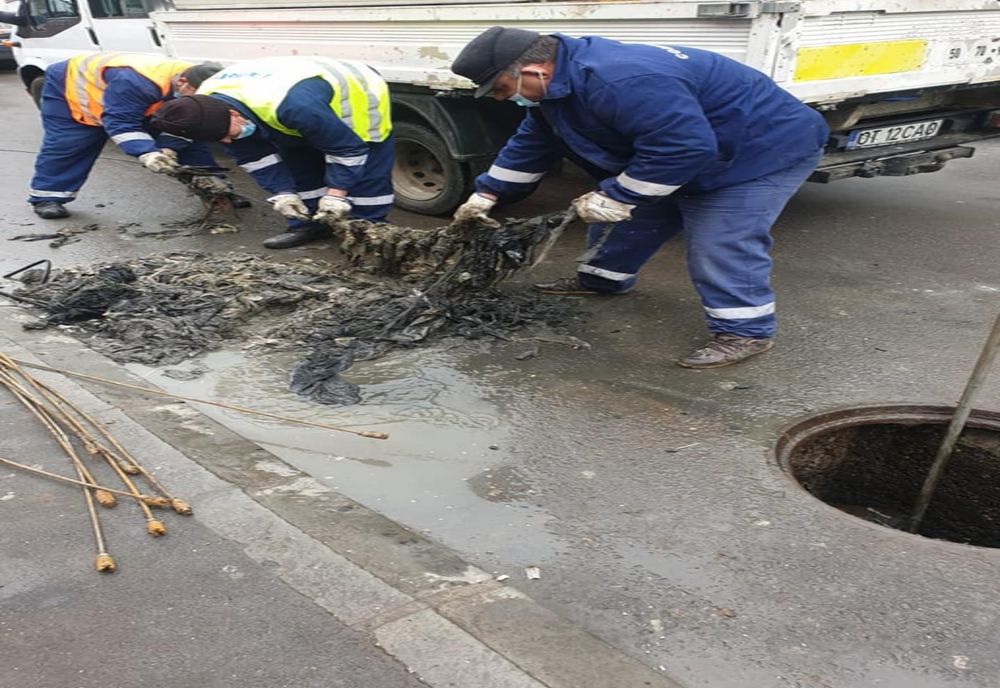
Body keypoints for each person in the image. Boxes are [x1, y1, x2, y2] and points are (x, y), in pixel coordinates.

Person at [451, 28, 829, 368]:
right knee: (632, 215)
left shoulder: (620, 79)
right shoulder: (557, 91)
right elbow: (532, 143)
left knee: (721, 238)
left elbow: (683, 149)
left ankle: (746, 330)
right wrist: (487, 193)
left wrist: (619, 193)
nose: (503, 99)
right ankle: (602, 279)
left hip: (759, 151)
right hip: (690, 150)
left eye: (502, 89)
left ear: (535, 71)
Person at [150, 55, 394, 249]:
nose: (226, 141)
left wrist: (336, 194)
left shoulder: (295, 107)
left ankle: (368, 230)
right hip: (282, 95)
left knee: (365, 164)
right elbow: (256, 159)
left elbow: (347, 150)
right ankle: (310, 224)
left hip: (355, 91)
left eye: (227, 134)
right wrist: (283, 194)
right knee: (299, 162)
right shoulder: (207, 109)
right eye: (219, 139)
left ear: (233, 113)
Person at [28, 53, 229, 219]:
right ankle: (48, 196)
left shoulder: (197, 77)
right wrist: (148, 154)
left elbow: (185, 125)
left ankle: (214, 189)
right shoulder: (136, 82)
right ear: (183, 83)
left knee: (190, 138)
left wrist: (169, 148)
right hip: (71, 91)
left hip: (128, 99)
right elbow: (121, 124)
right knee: (69, 143)